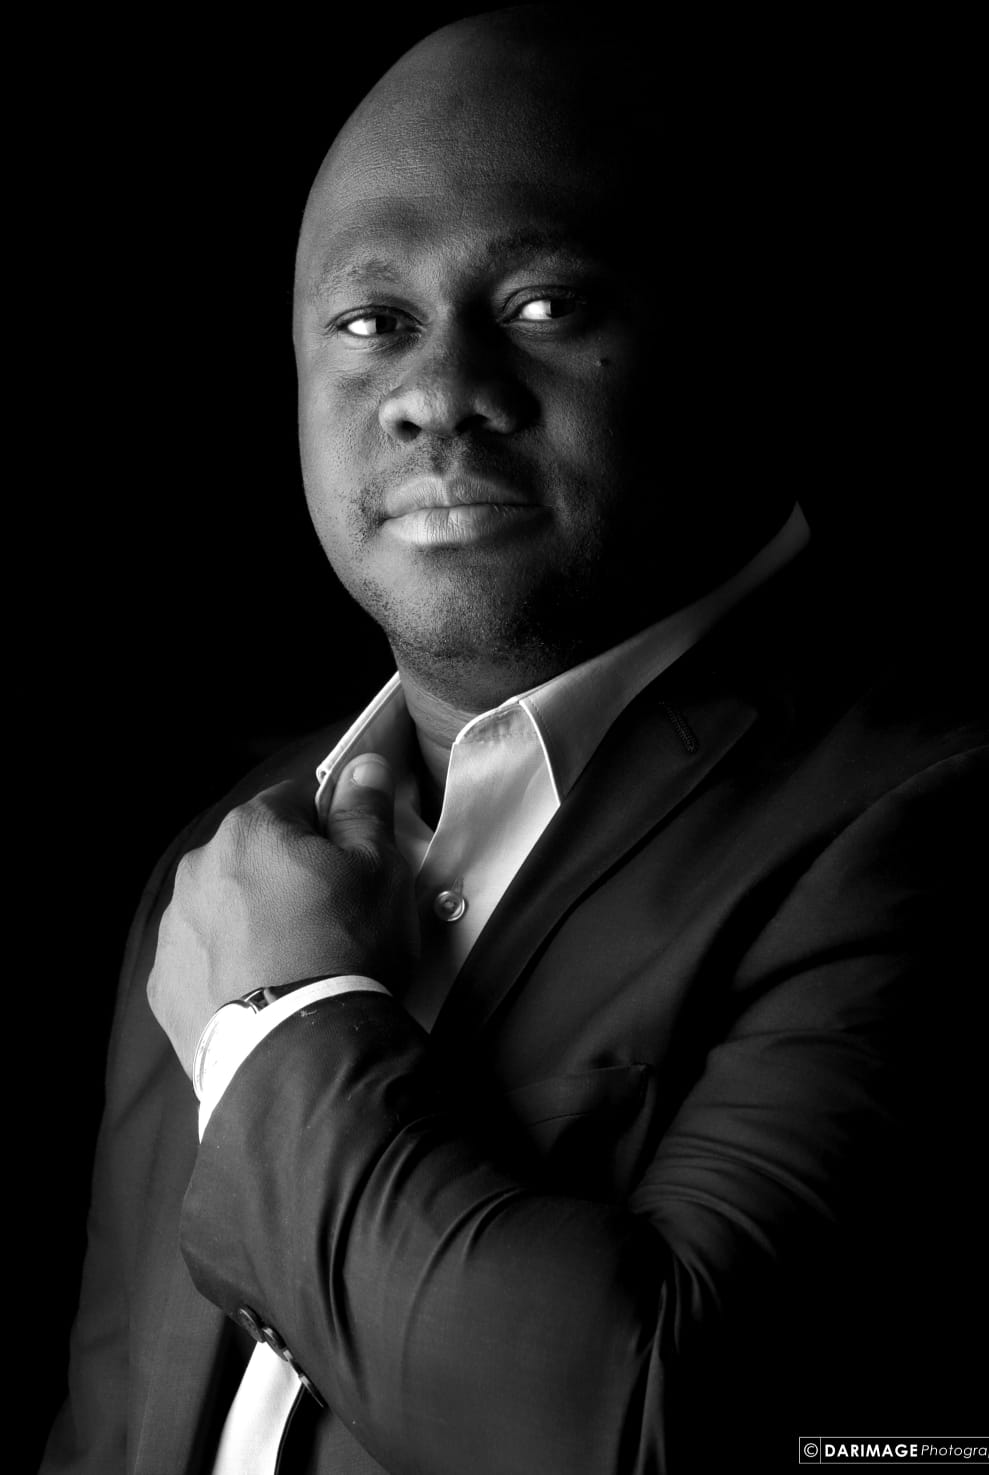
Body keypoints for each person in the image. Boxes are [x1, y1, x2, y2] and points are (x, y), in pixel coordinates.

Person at [43, 7, 986, 1473]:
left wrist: (277, 1027)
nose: (436, 394)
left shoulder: (940, 821)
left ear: (736, 340)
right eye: (372, 322)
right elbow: (112, 1431)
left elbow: (646, 1431)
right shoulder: (224, 864)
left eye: (543, 305)